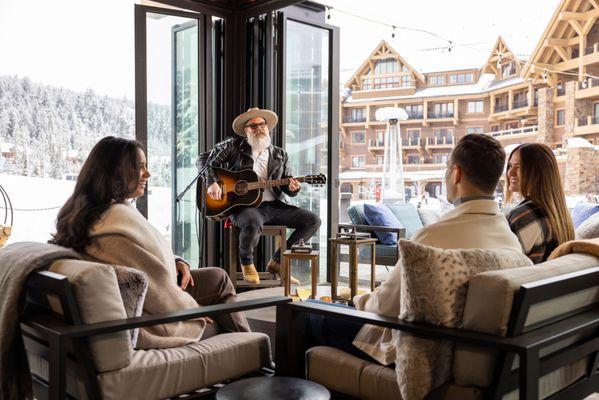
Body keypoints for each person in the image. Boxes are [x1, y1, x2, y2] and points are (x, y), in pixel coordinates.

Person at [310, 134, 523, 366]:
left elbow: (384, 307)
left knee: (309, 312)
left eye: (447, 169)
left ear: (456, 173)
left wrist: (357, 300)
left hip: (412, 351)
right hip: (469, 349)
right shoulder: (510, 238)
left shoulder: (432, 237)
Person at [50, 136, 250, 349]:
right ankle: (252, 353)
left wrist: (175, 260)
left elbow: (140, 257)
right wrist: (196, 309)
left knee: (217, 277)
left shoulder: (94, 212)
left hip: (145, 300)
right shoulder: (115, 223)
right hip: (150, 321)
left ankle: (250, 351)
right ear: (118, 172)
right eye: (140, 167)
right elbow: (158, 292)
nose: (148, 174)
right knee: (221, 322)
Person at [200, 107, 321, 284]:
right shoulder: (233, 147)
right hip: (243, 206)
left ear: (268, 127)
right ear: (245, 130)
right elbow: (203, 160)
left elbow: (288, 187)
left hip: (275, 206)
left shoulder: (280, 155)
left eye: (262, 124)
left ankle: (277, 262)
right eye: (253, 126)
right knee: (252, 221)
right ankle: (247, 263)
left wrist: (294, 187)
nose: (259, 128)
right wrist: (212, 182)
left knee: (313, 220)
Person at [505, 143, 575, 264]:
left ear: (538, 172)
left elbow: (502, 264)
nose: (510, 173)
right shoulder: (560, 214)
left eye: (518, 167)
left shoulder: (524, 216)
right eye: (510, 166)